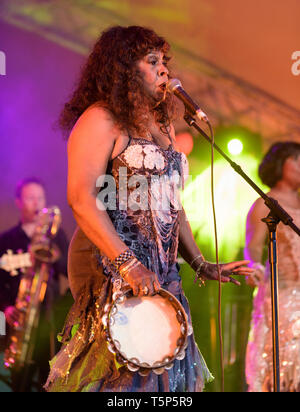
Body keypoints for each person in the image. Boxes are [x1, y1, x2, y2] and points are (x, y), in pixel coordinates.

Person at [44, 25, 253, 393]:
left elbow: (172, 204)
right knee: (119, 374)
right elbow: (81, 197)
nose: (164, 71)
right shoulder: (100, 119)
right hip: (109, 262)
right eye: (152, 61)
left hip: (159, 268)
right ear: (124, 68)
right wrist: (127, 263)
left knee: (162, 374)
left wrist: (201, 262)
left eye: (164, 62)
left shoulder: (162, 125)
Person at [0, 177, 69, 391]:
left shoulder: (56, 236)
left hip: (49, 321)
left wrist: (50, 254)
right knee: (19, 381)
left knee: (49, 379)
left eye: (40, 198)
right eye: (30, 198)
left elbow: (68, 270)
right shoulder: (6, 240)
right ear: (19, 202)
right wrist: (6, 307)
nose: (37, 203)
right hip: (18, 320)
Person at [244, 142, 300, 392]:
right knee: (281, 371)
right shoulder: (265, 203)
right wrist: (254, 268)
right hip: (281, 297)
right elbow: (253, 246)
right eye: (296, 159)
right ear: (280, 164)